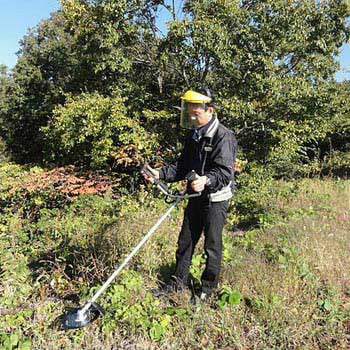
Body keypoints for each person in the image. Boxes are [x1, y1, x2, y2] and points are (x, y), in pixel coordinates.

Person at [142, 87, 237, 301]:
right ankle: (177, 283)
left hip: (216, 199)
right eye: (190, 113)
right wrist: (159, 174)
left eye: (197, 113)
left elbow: (224, 173)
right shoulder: (193, 135)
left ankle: (207, 290)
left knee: (212, 245)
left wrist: (206, 180)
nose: (192, 117)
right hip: (194, 197)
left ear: (210, 110)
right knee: (186, 240)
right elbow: (182, 165)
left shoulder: (223, 136)